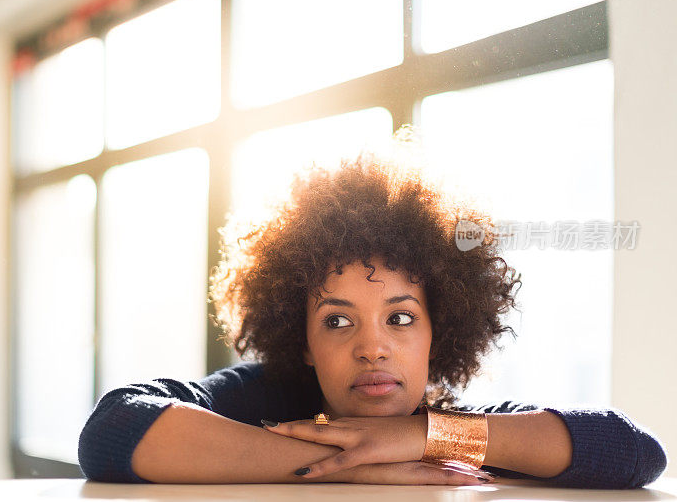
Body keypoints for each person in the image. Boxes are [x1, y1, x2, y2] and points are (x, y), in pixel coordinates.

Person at [77, 149, 668, 487]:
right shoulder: (263, 396)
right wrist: (351, 466)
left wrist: (419, 437)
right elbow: (111, 430)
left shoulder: (451, 424)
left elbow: (636, 451)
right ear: (301, 338)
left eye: (402, 319)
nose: (373, 348)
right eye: (337, 321)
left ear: (442, 330)